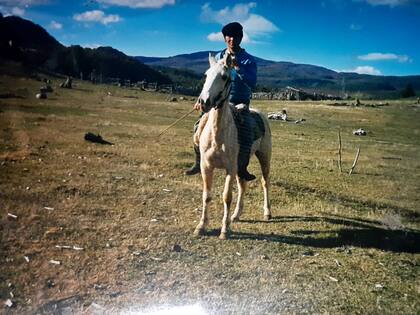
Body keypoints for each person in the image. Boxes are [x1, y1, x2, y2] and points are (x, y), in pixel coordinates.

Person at [185, 22, 257, 181]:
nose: (232, 39)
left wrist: (238, 68)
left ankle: (242, 168)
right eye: (229, 36)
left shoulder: (248, 60)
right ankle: (199, 162)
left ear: (240, 38)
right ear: (225, 38)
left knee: (247, 132)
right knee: (198, 127)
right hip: (218, 103)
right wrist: (201, 99)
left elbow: (252, 82)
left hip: (239, 103)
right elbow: (210, 80)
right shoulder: (218, 57)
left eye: (235, 36)